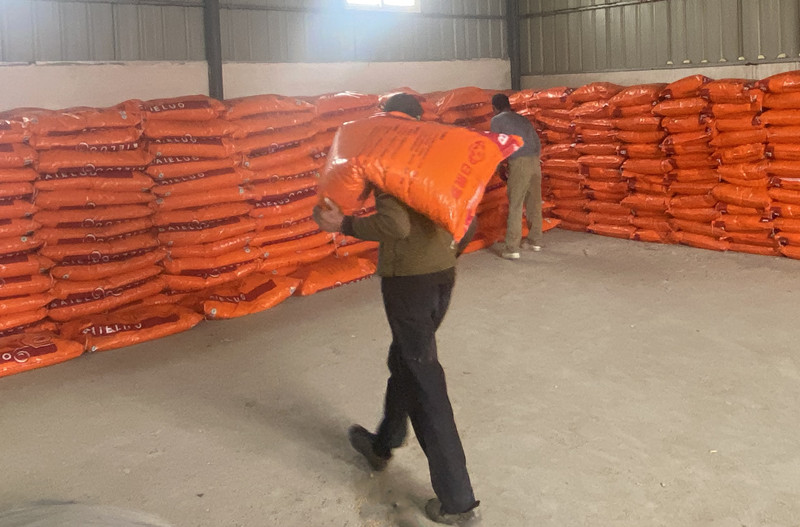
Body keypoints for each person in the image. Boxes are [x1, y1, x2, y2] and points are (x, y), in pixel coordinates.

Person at [313, 93, 481, 526]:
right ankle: (383, 443)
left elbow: (396, 225)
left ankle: (457, 500)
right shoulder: (441, 160)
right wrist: (447, 254)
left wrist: (343, 224)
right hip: (441, 275)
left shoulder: (391, 161)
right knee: (405, 360)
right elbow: (470, 217)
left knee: (424, 378)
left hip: (409, 283)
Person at [490, 93, 543, 260]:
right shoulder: (522, 119)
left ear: (494, 108)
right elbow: (537, 142)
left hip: (519, 162)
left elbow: (496, 146)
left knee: (516, 204)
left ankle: (512, 248)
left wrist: (497, 168)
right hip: (535, 161)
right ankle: (534, 241)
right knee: (534, 202)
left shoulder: (497, 120)